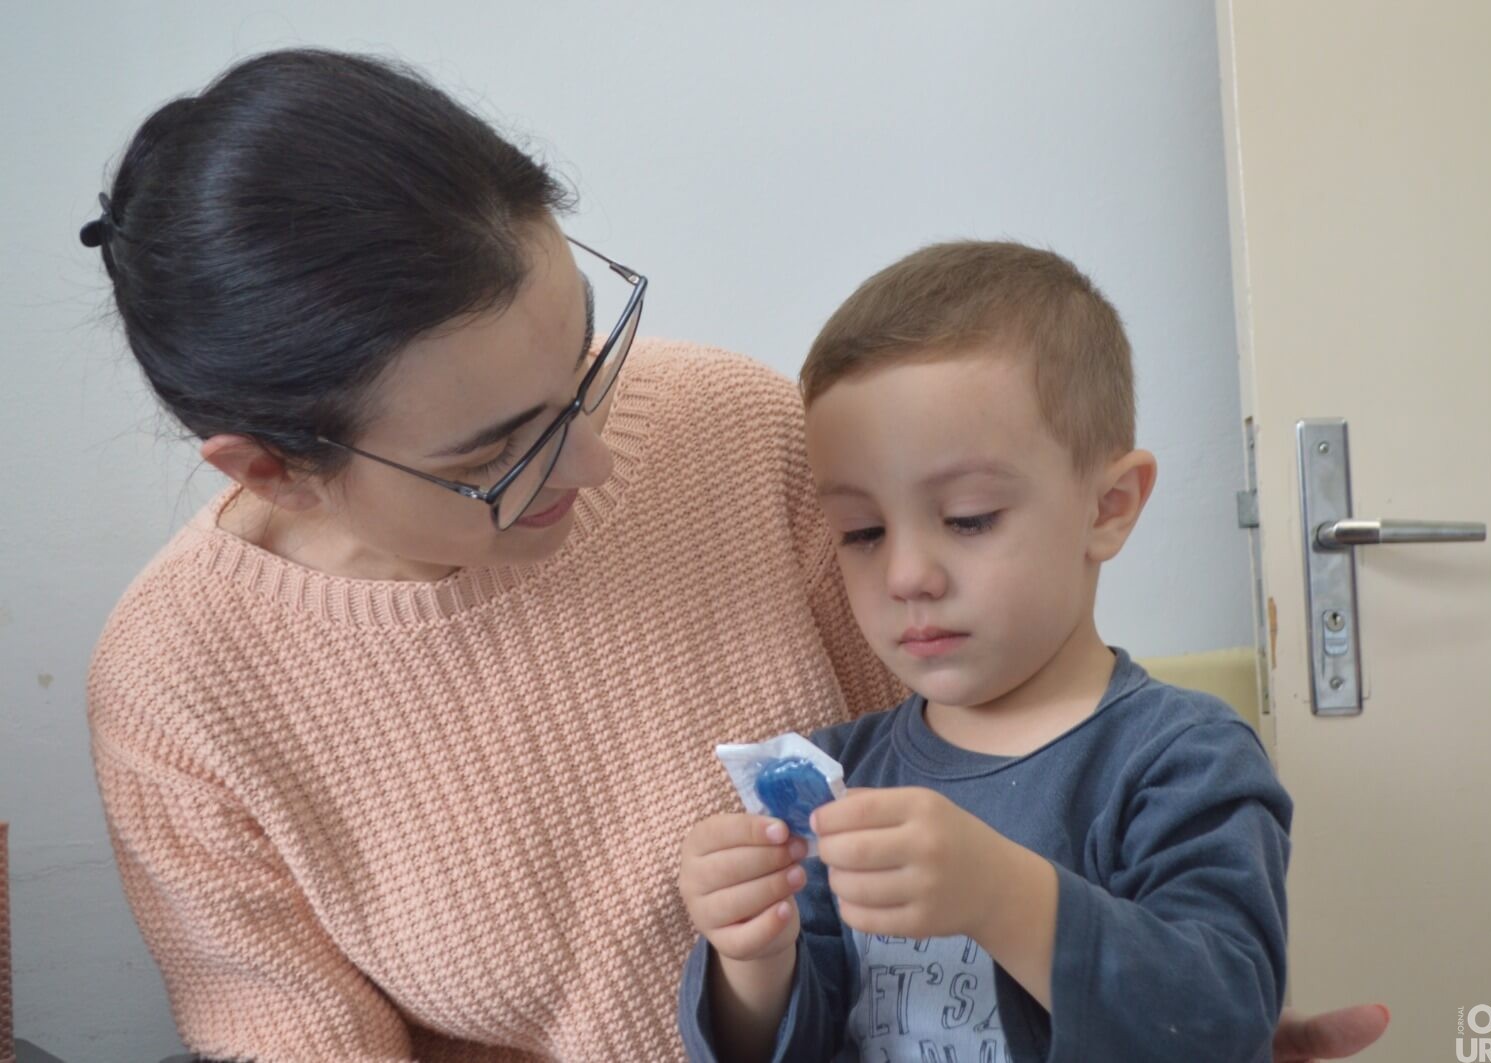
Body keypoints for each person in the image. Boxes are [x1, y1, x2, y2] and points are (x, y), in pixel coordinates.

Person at [79, 47, 1386, 1062]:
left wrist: (1175, 1010)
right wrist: (749, 965)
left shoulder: (739, 431)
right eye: (509, 446)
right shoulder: (181, 690)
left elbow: (999, 821)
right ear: (269, 466)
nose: (598, 457)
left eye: (591, 352)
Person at [676, 242, 1292, 1061]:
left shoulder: (1185, 758)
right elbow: (782, 1045)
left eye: (967, 517)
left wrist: (1004, 896)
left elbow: (1221, 1017)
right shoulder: (832, 775)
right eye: (861, 532)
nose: (906, 574)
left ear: (1107, 507)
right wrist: (751, 952)